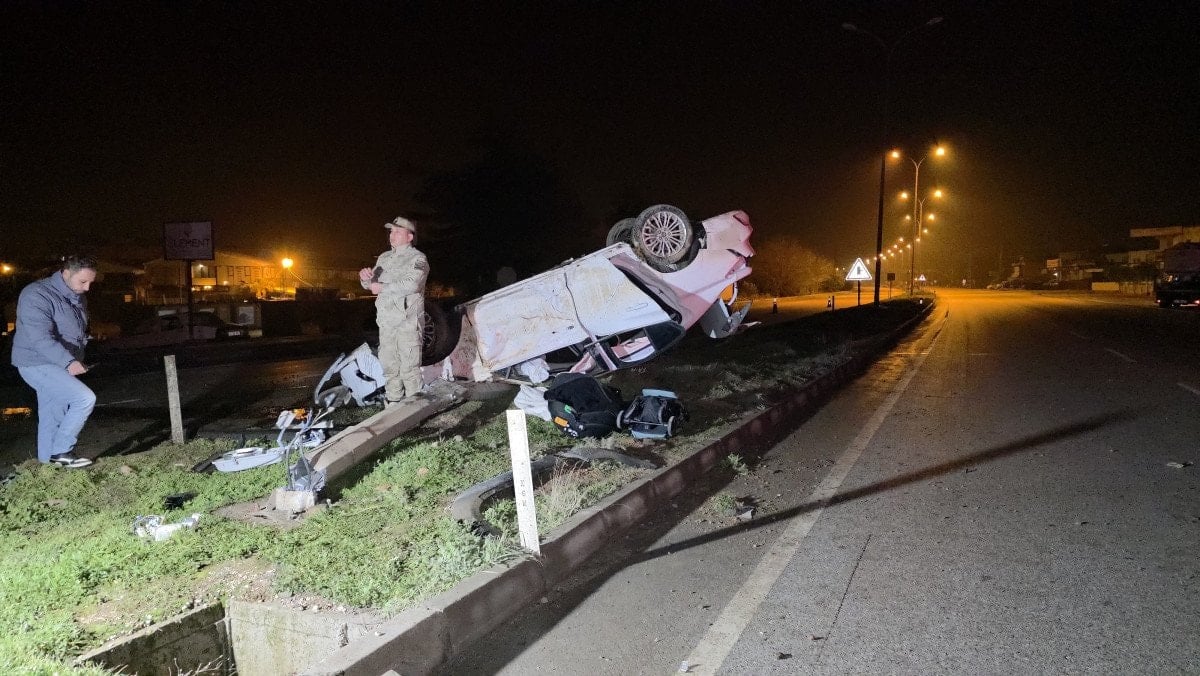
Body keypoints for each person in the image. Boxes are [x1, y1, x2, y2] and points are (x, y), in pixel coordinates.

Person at [11, 255, 99, 468]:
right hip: (36, 362)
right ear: (66, 273)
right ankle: (61, 451)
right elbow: (40, 337)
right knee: (84, 399)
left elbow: (72, 330)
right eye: (83, 281)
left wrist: (79, 351)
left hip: (58, 363)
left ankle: (47, 467)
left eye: (91, 282)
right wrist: (69, 362)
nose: (87, 288)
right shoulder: (36, 294)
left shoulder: (76, 296)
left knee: (52, 415)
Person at [360, 216, 429, 404]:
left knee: (409, 369)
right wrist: (365, 279)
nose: (392, 235)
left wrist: (383, 287)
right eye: (391, 231)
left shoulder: (418, 258)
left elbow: (413, 284)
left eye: (398, 232)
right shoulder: (384, 258)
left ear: (410, 236)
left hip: (408, 323)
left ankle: (415, 410)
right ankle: (393, 405)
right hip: (387, 322)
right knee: (390, 367)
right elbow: (372, 284)